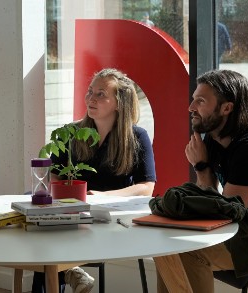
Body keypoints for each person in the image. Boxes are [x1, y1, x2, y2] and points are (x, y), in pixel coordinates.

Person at [33, 68, 157, 293]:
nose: (91, 98)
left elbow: (147, 187)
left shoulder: (137, 136)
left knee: (47, 240)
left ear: (120, 103)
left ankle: (70, 270)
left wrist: (102, 196)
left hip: (110, 220)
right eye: (90, 91)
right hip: (70, 215)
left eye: (101, 94)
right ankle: (71, 271)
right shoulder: (71, 133)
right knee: (37, 216)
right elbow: (55, 175)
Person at [156, 69, 248, 293]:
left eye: (200, 101)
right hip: (242, 229)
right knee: (167, 248)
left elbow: (229, 212)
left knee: (189, 252)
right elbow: (212, 201)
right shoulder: (215, 140)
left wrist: (201, 166)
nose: (191, 107)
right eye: (193, 99)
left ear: (227, 108)